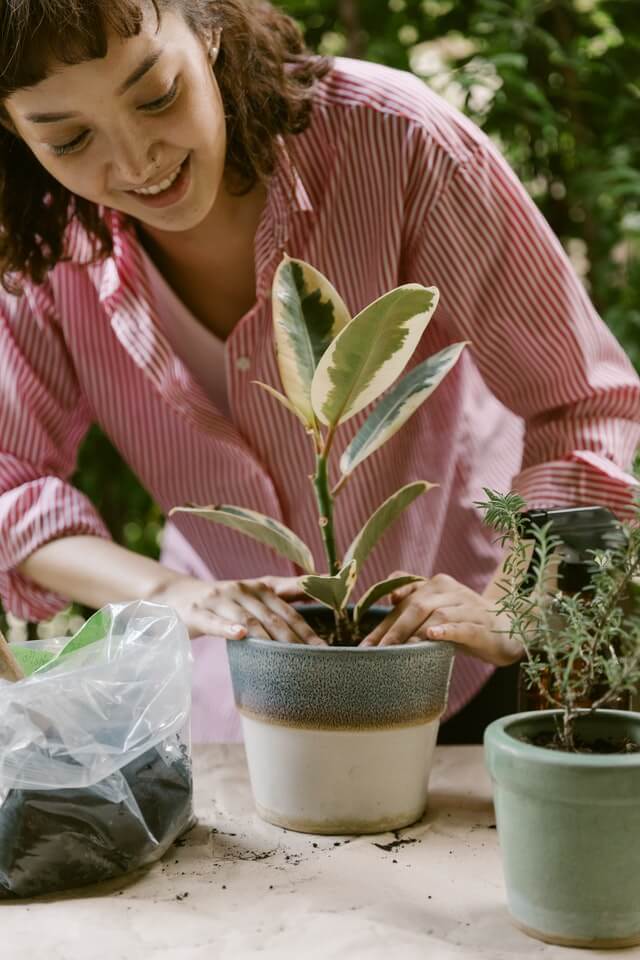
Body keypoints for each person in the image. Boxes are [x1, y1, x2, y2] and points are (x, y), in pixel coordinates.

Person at [0, 0, 638, 742]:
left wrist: (516, 606)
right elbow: (10, 480)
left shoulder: (396, 142)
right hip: (243, 682)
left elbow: (583, 407)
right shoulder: (41, 238)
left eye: (157, 96)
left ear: (207, 25)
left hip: (466, 658)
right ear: (14, 128)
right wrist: (168, 591)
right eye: (71, 138)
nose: (138, 160)